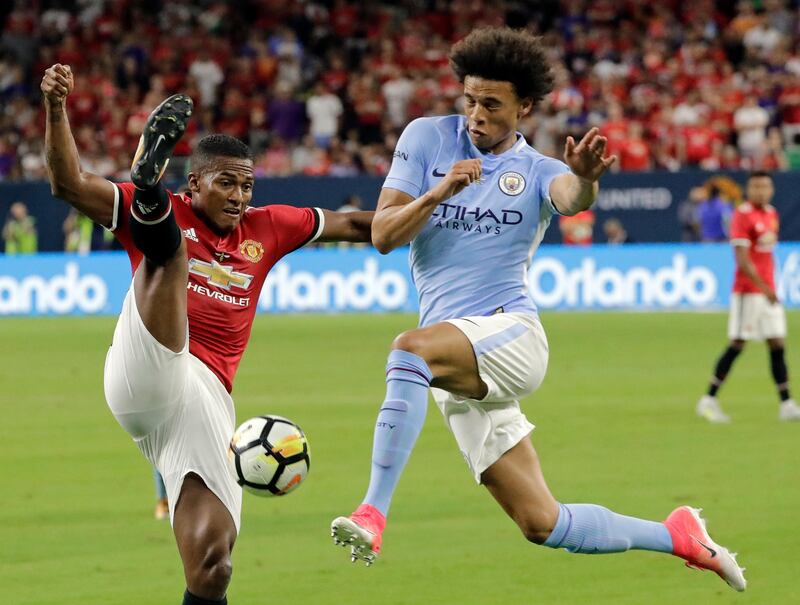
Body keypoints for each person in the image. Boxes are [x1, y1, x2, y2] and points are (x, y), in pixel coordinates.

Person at [329, 27, 746, 592]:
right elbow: (382, 234)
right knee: (542, 523)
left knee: (408, 350)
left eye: (491, 104)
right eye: (470, 99)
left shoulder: (539, 169)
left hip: (511, 336)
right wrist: (438, 193)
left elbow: (570, 198)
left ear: (524, 107)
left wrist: (588, 180)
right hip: (456, 362)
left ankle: (371, 514)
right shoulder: (427, 139)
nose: (476, 113)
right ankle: (678, 536)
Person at [42, 63, 372, 605]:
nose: (240, 195)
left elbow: (360, 226)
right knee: (168, 252)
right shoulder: (176, 212)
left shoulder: (269, 226)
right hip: (148, 368)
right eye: (226, 182)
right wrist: (56, 108)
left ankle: (149, 196)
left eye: (247, 184)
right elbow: (66, 183)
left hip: (206, 402)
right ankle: (147, 187)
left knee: (213, 568)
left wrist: (443, 207)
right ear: (193, 183)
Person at [697, 171, 800, 423]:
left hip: (768, 291)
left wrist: (770, 288)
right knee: (738, 343)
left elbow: (766, 255)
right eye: (756, 186)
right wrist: (765, 288)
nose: (761, 191)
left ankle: (786, 404)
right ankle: (708, 400)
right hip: (748, 292)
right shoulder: (742, 215)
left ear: (772, 189)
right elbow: (742, 260)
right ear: (749, 189)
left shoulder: (771, 213)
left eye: (765, 186)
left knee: (777, 343)